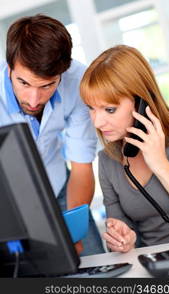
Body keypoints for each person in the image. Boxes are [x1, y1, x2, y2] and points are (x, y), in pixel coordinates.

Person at [0, 14, 105, 256]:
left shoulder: (79, 81)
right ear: (9, 67)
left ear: (62, 72)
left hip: (59, 186)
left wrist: (74, 234)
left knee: (92, 264)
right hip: (7, 199)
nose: (34, 100)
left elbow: (81, 167)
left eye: (47, 85)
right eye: (24, 83)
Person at [80, 44, 169, 253]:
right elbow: (120, 234)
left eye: (109, 109)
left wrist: (160, 164)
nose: (97, 122)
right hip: (149, 268)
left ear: (141, 102)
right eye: (91, 108)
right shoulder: (108, 160)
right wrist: (122, 240)